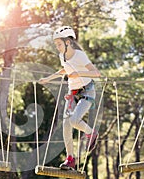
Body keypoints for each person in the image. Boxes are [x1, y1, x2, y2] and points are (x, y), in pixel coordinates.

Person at [39, 26, 101, 170]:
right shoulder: (62, 56)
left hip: (87, 92)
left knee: (74, 120)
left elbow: (96, 73)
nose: (57, 47)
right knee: (66, 125)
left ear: (68, 43)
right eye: (56, 45)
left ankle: (91, 133)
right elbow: (65, 70)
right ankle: (70, 159)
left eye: (59, 44)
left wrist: (79, 73)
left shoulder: (80, 55)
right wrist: (49, 78)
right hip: (72, 93)